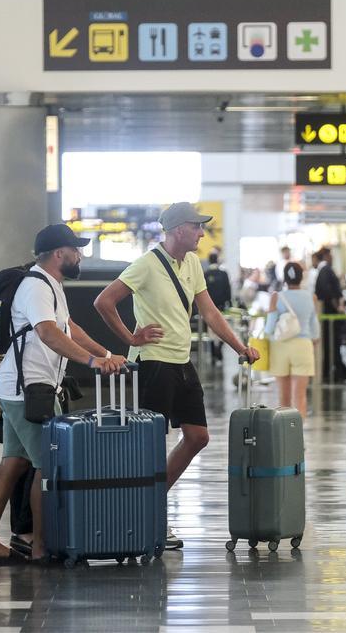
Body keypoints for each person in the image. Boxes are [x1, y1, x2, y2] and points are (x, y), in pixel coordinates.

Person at [94, 202, 260, 551]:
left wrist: (239, 347)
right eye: (196, 226)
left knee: (198, 436)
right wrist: (130, 337)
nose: (202, 232)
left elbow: (210, 312)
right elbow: (104, 302)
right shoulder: (145, 265)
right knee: (153, 443)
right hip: (154, 362)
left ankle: (148, 502)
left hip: (181, 361)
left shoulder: (193, 264)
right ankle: (146, 514)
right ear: (177, 229)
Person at [0, 225, 126, 563]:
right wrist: (91, 362)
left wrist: (106, 355)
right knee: (48, 464)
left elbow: (70, 329)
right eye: (76, 249)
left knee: (13, 463)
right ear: (60, 253)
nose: (81, 255)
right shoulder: (36, 287)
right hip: (29, 390)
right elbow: (47, 333)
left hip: (28, 387)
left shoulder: (51, 284)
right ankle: (41, 545)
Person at [263, 262, 319, 417]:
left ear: (285, 278)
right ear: (302, 277)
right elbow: (315, 328)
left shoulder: (276, 297)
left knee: (283, 397)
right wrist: (314, 342)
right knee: (300, 396)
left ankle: (284, 433)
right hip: (303, 346)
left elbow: (269, 328)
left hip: (280, 347)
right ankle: (298, 434)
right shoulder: (311, 297)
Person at [313, 248, 346, 382]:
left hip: (326, 314)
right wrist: (338, 307)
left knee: (330, 343)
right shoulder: (326, 270)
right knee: (332, 342)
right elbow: (330, 292)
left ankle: (332, 370)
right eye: (330, 255)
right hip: (329, 314)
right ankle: (338, 371)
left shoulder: (323, 271)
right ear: (326, 256)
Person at [204, 252, 233, 365]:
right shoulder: (223, 274)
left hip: (208, 308)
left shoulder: (206, 274)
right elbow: (228, 290)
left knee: (210, 330)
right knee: (222, 328)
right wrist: (229, 304)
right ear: (217, 260)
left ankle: (213, 354)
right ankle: (219, 350)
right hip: (221, 307)